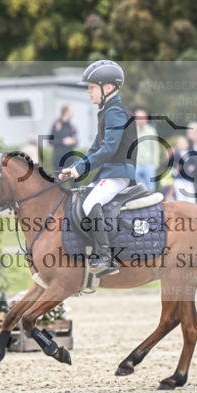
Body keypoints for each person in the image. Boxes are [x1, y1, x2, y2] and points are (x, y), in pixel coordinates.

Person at [59, 60, 138, 277]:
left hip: (118, 173)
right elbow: (95, 148)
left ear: (108, 88)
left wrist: (81, 168)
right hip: (110, 172)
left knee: (91, 203)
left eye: (92, 87)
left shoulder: (115, 112)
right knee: (82, 199)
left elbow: (109, 149)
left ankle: (105, 256)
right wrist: (75, 168)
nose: (88, 91)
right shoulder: (106, 111)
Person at [133, 109, 161, 191]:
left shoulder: (151, 131)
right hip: (136, 164)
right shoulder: (132, 131)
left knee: (151, 188)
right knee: (136, 188)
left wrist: (155, 163)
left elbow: (156, 148)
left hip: (149, 164)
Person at [49, 104, 79, 178]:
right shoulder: (57, 125)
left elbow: (77, 140)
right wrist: (63, 142)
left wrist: (73, 141)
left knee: (74, 179)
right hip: (59, 157)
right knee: (60, 180)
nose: (73, 114)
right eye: (71, 111)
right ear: (65, 112)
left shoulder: (72, 126)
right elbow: (50, 141)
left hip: (70, 156)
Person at [170, 136, 196, 203]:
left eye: (183, 142)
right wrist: (176, 167)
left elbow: (194, 162)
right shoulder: (176, 154)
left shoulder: (190, 153)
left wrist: (192, 167)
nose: (181, 144)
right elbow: (172, 164)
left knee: (190, 196)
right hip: (179, 178)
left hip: (188, 177)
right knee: (180, 197)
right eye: (180, 143)